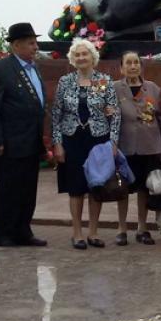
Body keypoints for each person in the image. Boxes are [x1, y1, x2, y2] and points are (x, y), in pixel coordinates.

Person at [0, 22, 48, 248]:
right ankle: (2, 233)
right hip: (10, 142)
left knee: (28, 190)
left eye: (35, 42)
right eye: (31, 43)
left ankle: (23, 231)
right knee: (9, 190)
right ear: (17, 45)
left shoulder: (34, 68)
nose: (35, 47)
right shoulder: (0, 69)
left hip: (31, 140)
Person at [51, 39, 121, 249]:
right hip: (72, 138)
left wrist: (114, 142)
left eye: (85, 54)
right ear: (73, 59)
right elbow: (56, 114)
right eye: (78, 54)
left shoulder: (103, 81)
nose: (82, 58)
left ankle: (93, 232)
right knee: (75, 187)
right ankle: (77, 233)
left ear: (93, 57)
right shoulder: (66, 81)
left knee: (95, 185)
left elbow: (114, 113)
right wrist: (57, 143)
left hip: (98, 139)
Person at [113, 51, 161, 246]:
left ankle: (142, 228)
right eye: (128, 63)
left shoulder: (153, 88)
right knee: (123, 189)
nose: (133, 66)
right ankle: (121, 229)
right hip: (124, 146)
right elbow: (108, 116)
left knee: (145, 188)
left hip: (150, 146)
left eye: (136, 62)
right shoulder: (114, 88)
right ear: (121, 68)